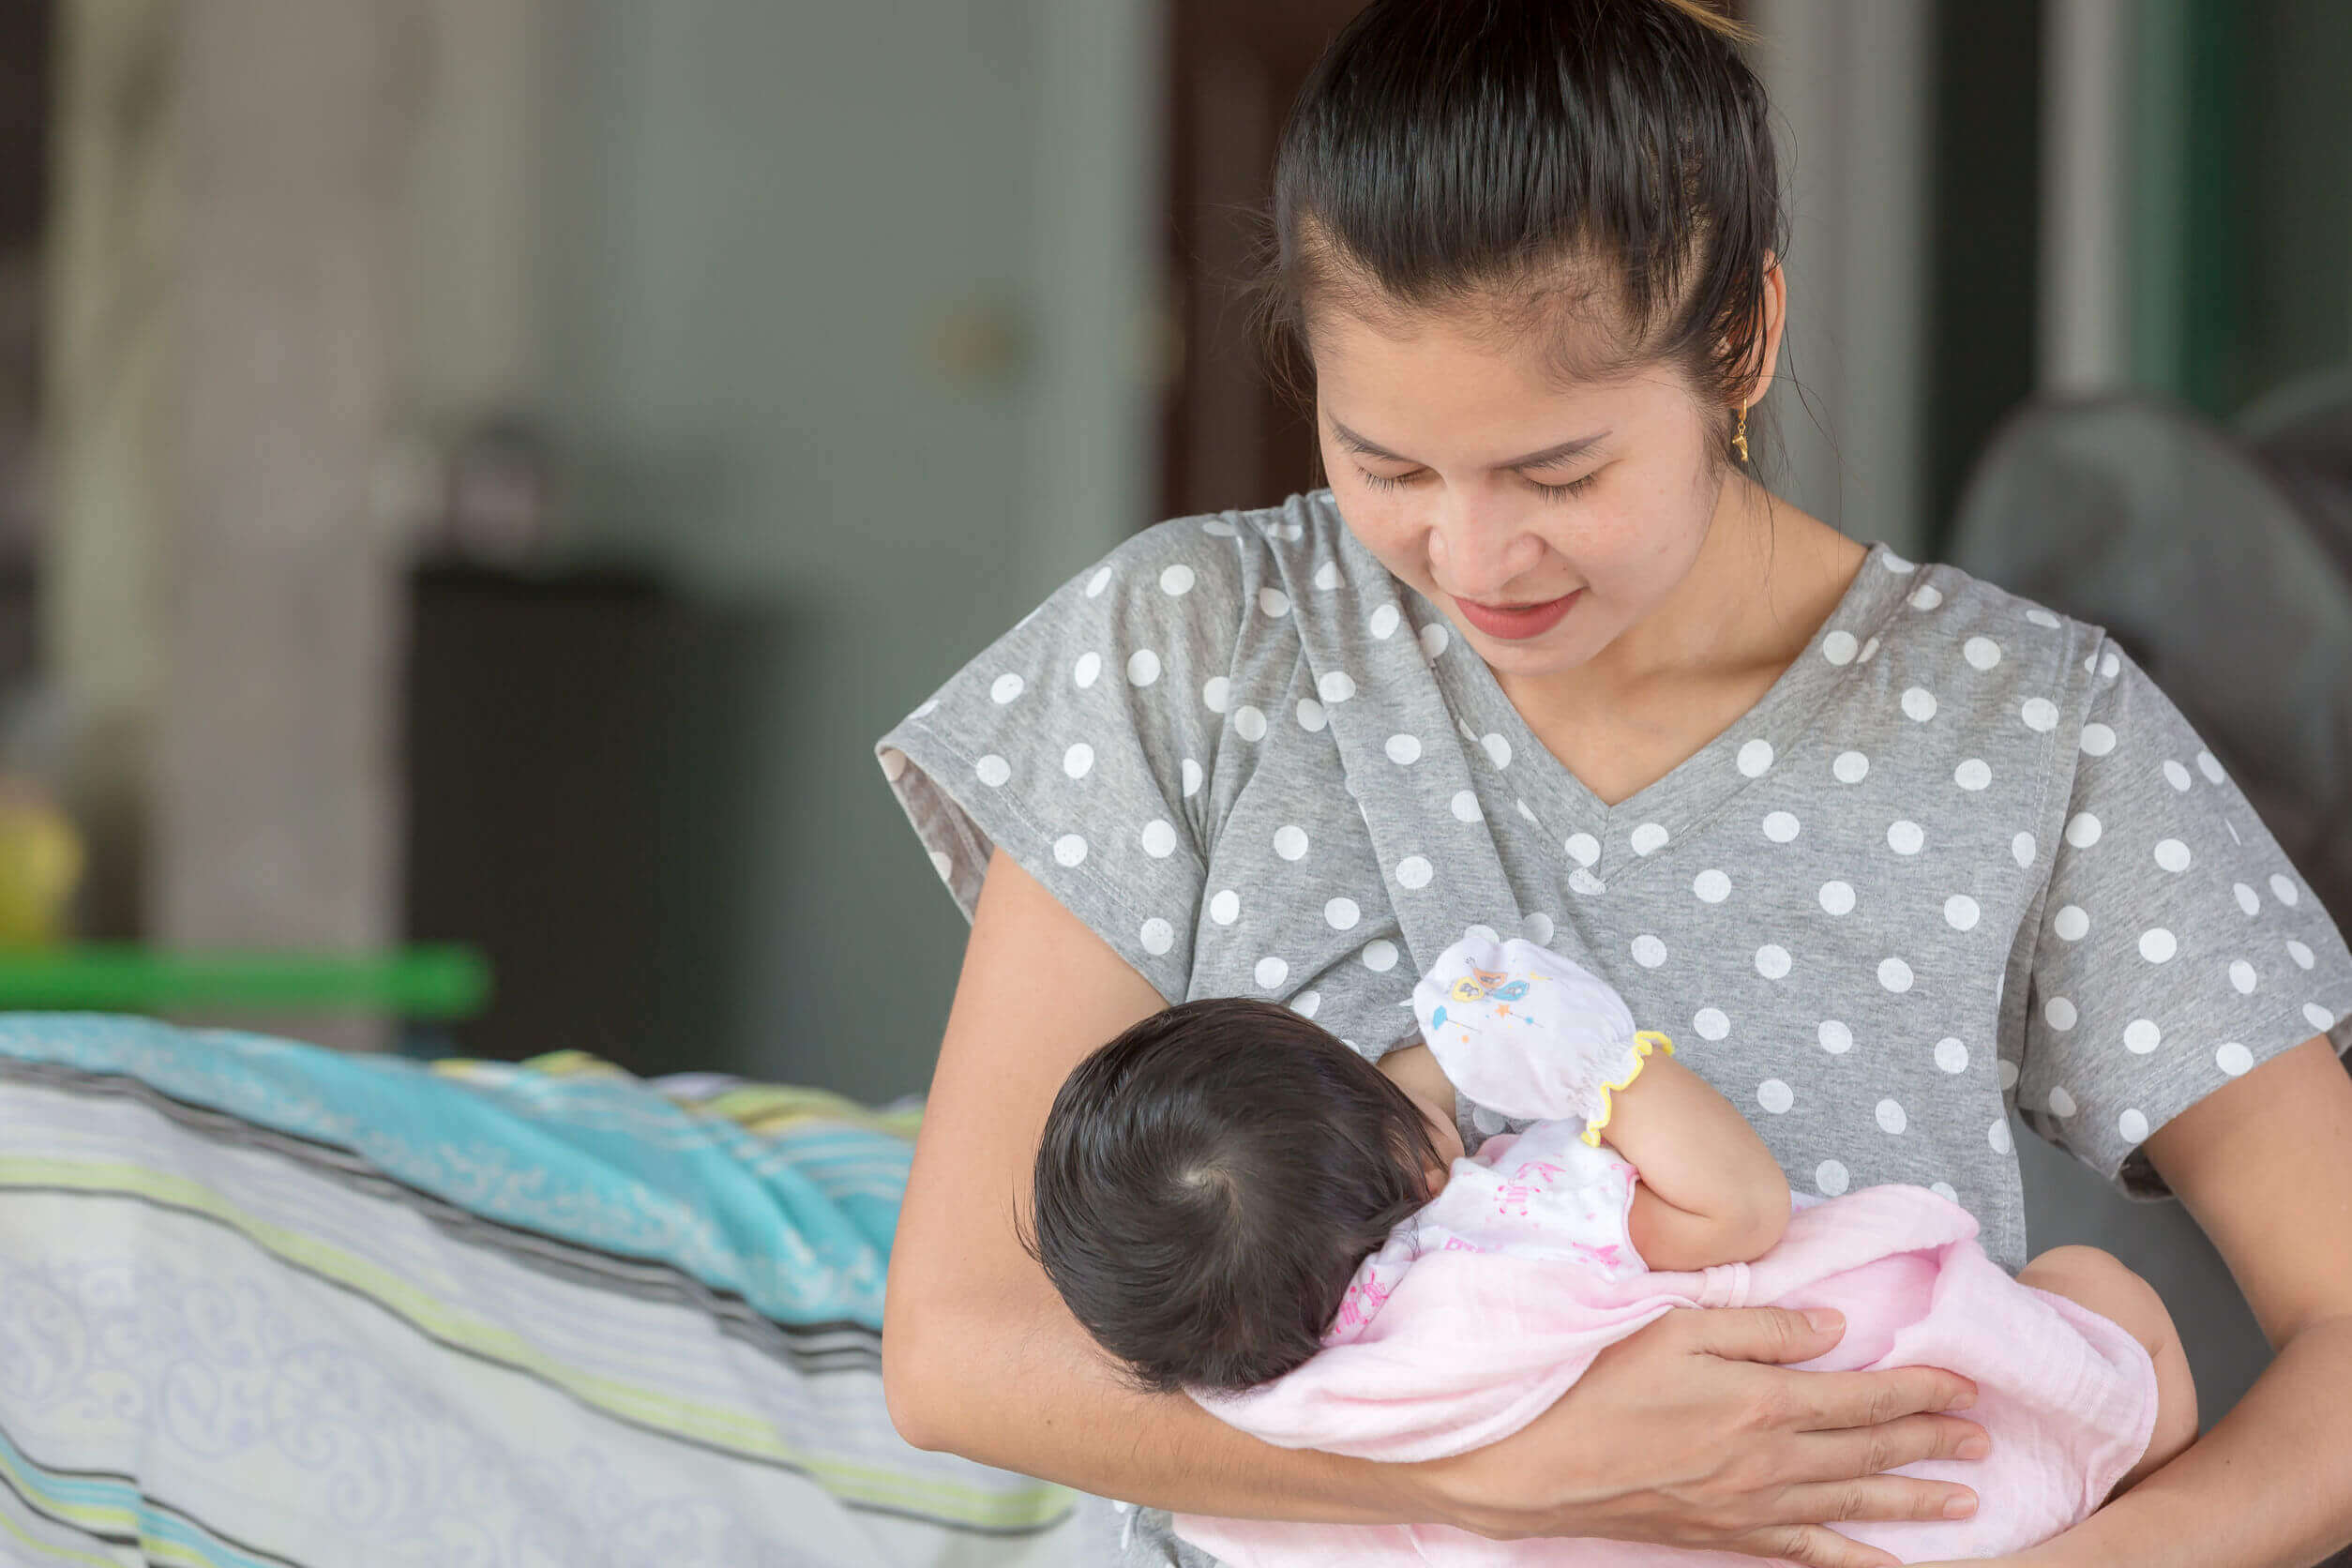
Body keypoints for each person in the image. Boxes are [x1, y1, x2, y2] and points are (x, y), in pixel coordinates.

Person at [872, 2, 2352, 1563]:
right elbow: (958, 1352)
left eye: (1557, 473)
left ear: (1742, 340)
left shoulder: (2028, 725)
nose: (1472, 555)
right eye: (1386, 466)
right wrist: (1490, 1471)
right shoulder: (1195, 648)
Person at [1025, 934, 2193, 1564]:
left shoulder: (1273, 1419)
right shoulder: (1509, 1233)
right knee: (2094, 1295)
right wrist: (1585, 1052)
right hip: (1941, 1436)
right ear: (1431, 1166)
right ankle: (2112, 1435)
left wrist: (1396, 1108)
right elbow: (1739, 1208)